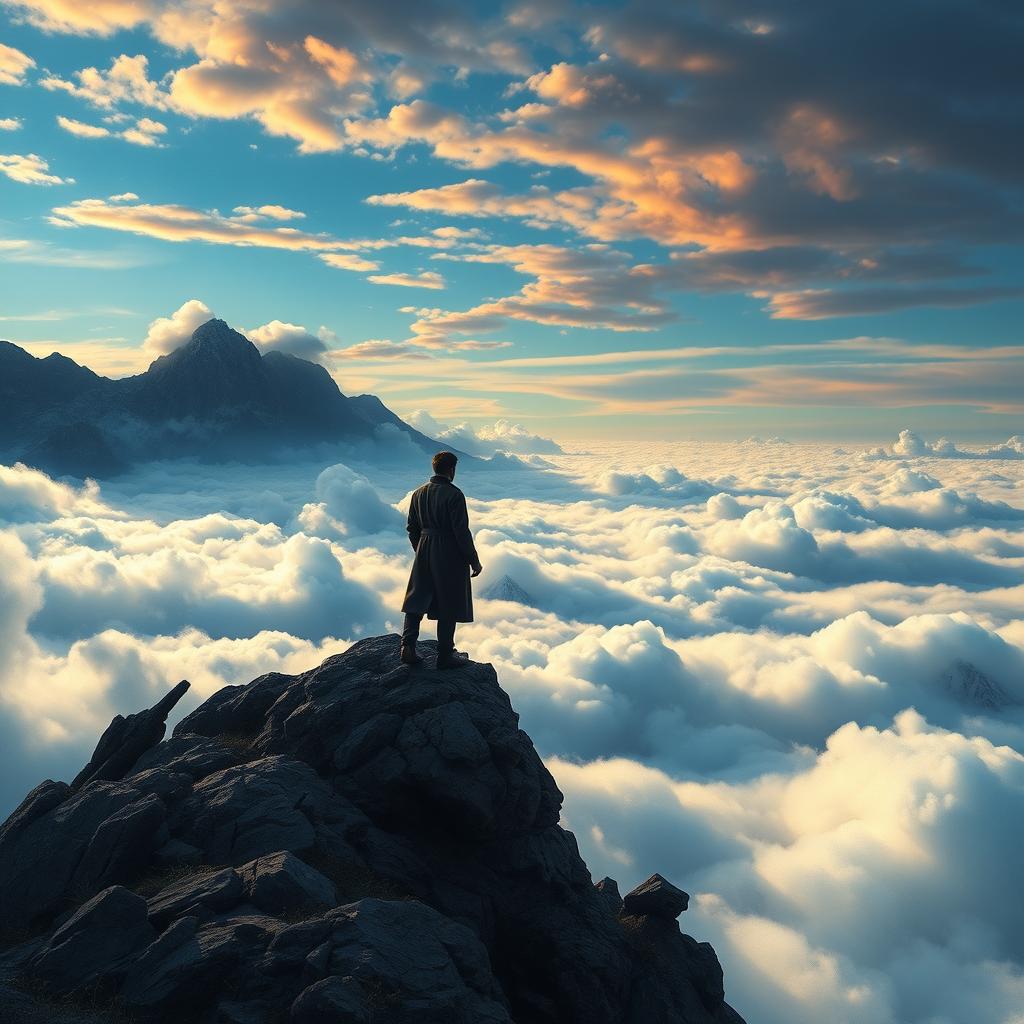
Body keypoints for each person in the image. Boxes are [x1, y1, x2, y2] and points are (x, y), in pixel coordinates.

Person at [400, 451, 483, 668]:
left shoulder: (418, 493)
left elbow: (411, 528)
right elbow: (461, 532)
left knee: (417, 597)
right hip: (449, 552)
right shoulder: (454, 495)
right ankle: (445, 655)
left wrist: (420, 548)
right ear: (452, 470)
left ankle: (407, 647)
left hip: (424, 548)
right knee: (449, 601)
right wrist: (473, 560)